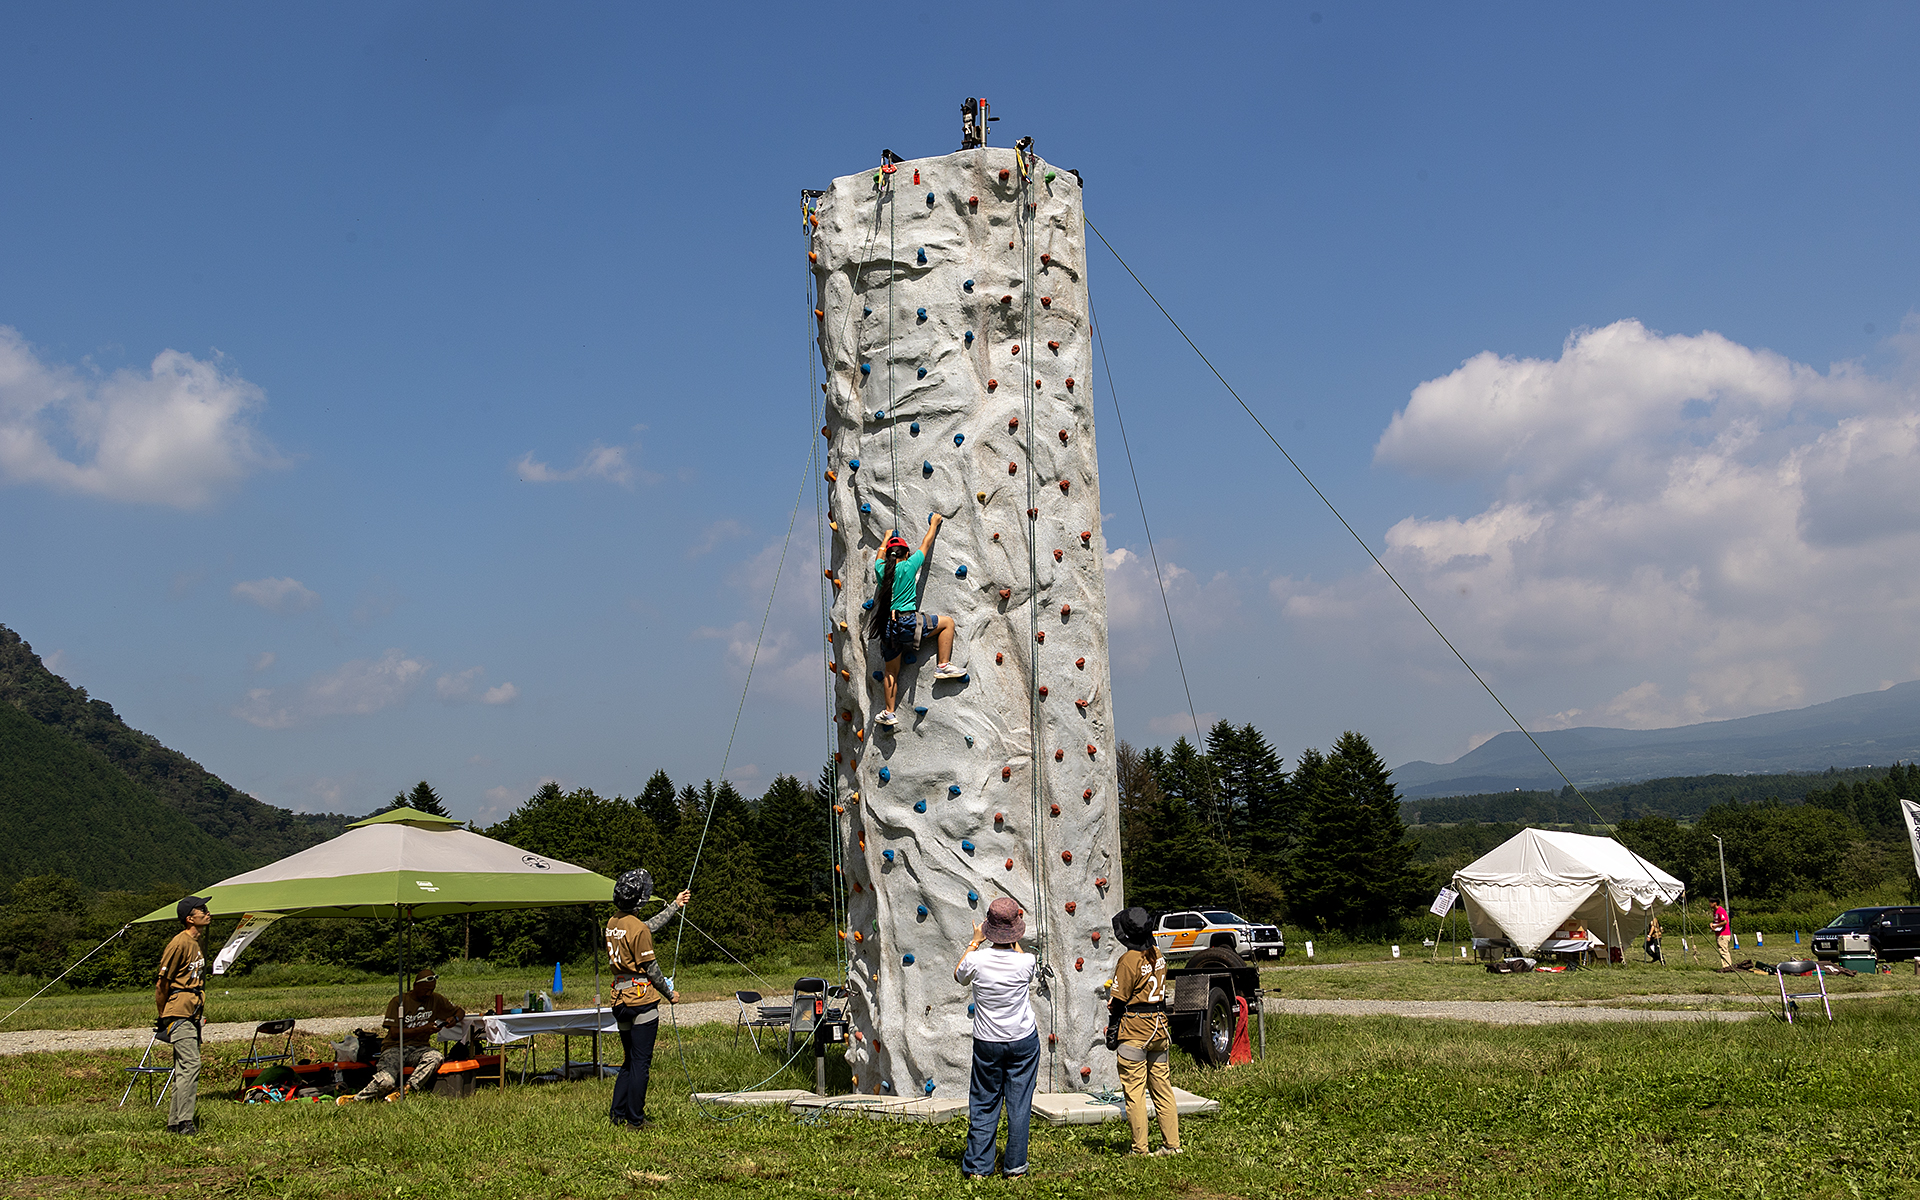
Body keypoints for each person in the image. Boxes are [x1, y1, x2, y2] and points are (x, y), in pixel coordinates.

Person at [955, 897, 1040, 1180]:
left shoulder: (975, 960)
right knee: (1019, 1103)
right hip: (1023, 1038)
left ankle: (979, 1167)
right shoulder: (1027, 961)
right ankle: (1015, 1167)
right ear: (1016, 930)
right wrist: (1011, 931)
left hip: (987, 1041)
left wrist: (975, 940)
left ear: (987, 927)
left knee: (984, 1101)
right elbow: (1016, 951)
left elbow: (959, 975)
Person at [605, 868, 689, 1129]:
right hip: (640, 1000)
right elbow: (652, 968)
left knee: (628, 1060)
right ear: (640, 899)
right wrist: (670, 994)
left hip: (618, 1000)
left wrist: (675, 906)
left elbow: (647, 926)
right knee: (641, 1062)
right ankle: (635, 1120)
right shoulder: (638, 930)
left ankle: (618, 1114)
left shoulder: (612, 923)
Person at [869, 515, 965, 728]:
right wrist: (933, 524)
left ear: (889, 557)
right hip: (909, 623)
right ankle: (943, 665)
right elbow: (927, 543)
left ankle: (889, 712)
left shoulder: (881, 570)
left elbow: (879, 556)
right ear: (907, 554)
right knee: (947, 623)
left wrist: (885, 538)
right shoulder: (910, 565)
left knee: (891, 671)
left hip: (888, 627)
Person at [1107, 907, 1181, 1157]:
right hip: (1159, 1027)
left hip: (1135, 1030)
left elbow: (1118, 999)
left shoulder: (1129, 960)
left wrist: (1113, 1019)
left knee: (1135, 1091)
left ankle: (1140, 1149)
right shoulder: (1157, 953)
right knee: (1163, 1088)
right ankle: (1172, 1145)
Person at [339, 966, 465, 1103]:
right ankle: (356, 1099)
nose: (428, 994)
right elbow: (394, 1033)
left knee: (435, 1057)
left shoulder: (436, 999)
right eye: (425, 990)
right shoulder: (399, 1002)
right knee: (386, 1081)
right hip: (395, 1047)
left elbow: (459, 1011)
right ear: (416, 986)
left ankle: (406, 1089)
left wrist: (455, 1019)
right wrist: (423, 1029)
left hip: (419, 1048)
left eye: (431, 990)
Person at [155, 895, 211, 1135]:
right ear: (190, 918)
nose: (207, 912)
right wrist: (164, 1017)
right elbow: (162, 983)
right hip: (178, 1012)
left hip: (192, 1012)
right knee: (191, 1064)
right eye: (202, 909)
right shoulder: (179, 943)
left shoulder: (196, 943)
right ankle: (186, 1122)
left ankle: (174, 1122)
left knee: (182, 1067)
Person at [1712, 902, 1733, 970]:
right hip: (1718, 933)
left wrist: (1716, 926)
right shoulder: (1715, 911)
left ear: (1714, 903)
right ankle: (1725, 966)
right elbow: (1716, 921)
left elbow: (1725, 921)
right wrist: (1712, 924)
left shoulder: (1721, 910)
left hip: (1723, 934)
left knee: (1724, 950)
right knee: (1721, 950)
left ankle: (1727, 966)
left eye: (1710, 902)